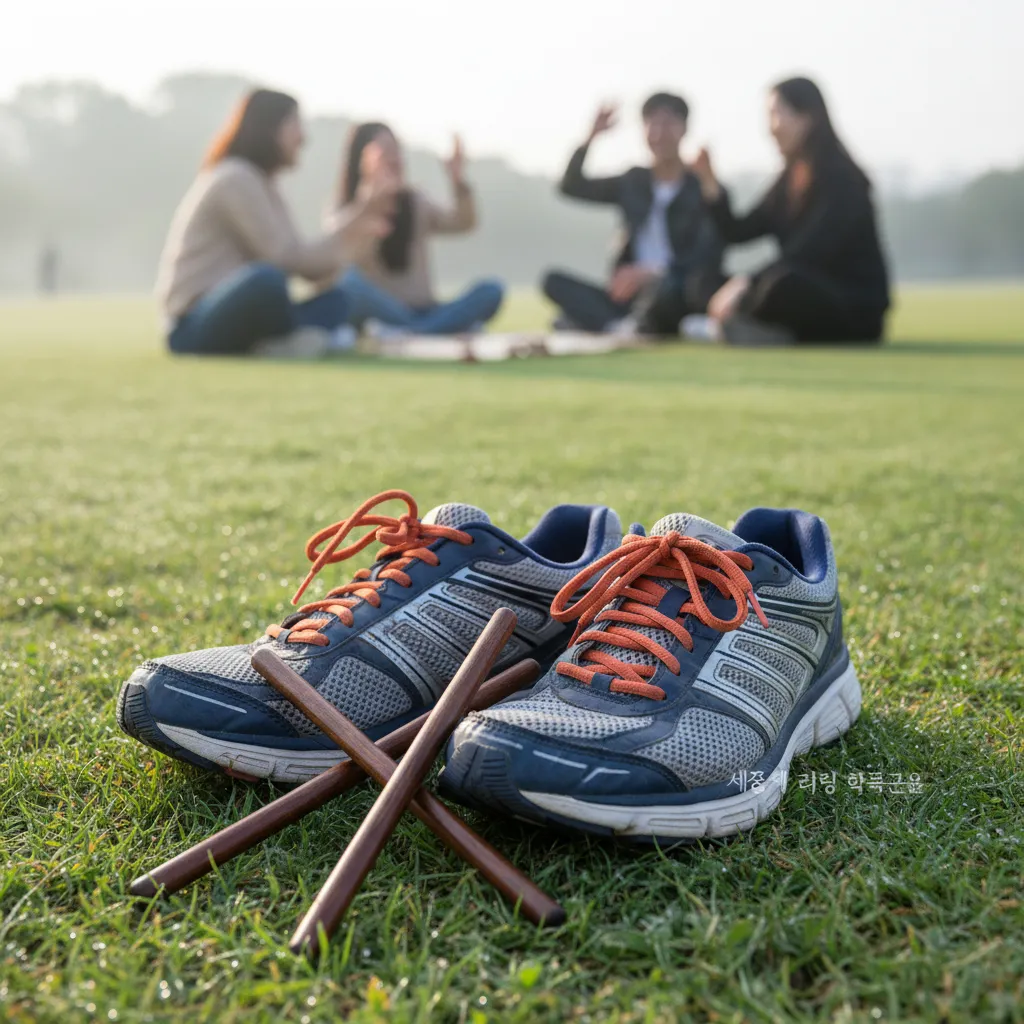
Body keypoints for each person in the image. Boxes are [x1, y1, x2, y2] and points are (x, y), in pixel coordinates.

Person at [156, 89, 391, 357]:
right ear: (269, 129)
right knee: (266, 279)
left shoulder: (266, 185)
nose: (303, 138)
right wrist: (361, 212)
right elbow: (284, 258)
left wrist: (360, 226)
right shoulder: (235, 177)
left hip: (241, 317)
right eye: (295, 126)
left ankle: (282, 341)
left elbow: (307, 264)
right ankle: (295, 339)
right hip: (193, 325)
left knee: (340, 298)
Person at [691, 77, 891, 346]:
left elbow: (809, 252)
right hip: (796, 291)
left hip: (850, 306)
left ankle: (736, 326)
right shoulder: (788, 181)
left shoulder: (843, 179)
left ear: (807, 117)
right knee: (704, 280)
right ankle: (755, 329)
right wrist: (710, 184)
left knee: (783, 283)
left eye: (776, 114)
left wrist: (747, 282)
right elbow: (738, 232)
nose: (771, 128)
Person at [541, 92, 723, 336]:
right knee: (552, 281)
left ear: (684, 129)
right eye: (652, 125)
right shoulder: (633, 181)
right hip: (627, 294)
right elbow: (571, 186)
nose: (659, 134)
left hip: (675, 289)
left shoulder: (699, 186)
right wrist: (591, 137)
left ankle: (604, 322)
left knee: (666, 291)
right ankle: (621, 325)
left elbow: (710, 254)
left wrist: (652, 273)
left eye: (667, 123)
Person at [336, 123, 504, 336]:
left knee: (491, 290)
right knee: (348, 285)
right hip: (383, 312)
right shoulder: (351, 208)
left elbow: (462, 223)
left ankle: (414, 332)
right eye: (383, 151)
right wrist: (369, 200)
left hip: (426, 310)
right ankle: (434, 330)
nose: (393, 158)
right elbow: (337, 243)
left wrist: (458, 182)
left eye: (396, 150)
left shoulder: (415, 201)